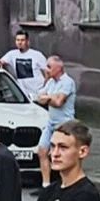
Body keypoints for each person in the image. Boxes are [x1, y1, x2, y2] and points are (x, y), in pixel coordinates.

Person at [30, 56, 77, 186]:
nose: (47, 69)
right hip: (51, 123)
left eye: (49, 67)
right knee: (42, 151)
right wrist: (47, 87)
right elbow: (39, 95)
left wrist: (48, 97)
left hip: (64, 124)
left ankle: (65, 182)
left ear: (58, 68)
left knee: (61, 154)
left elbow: (58, 102)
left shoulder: (67, 82)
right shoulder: (51, 82)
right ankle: (46, 185)